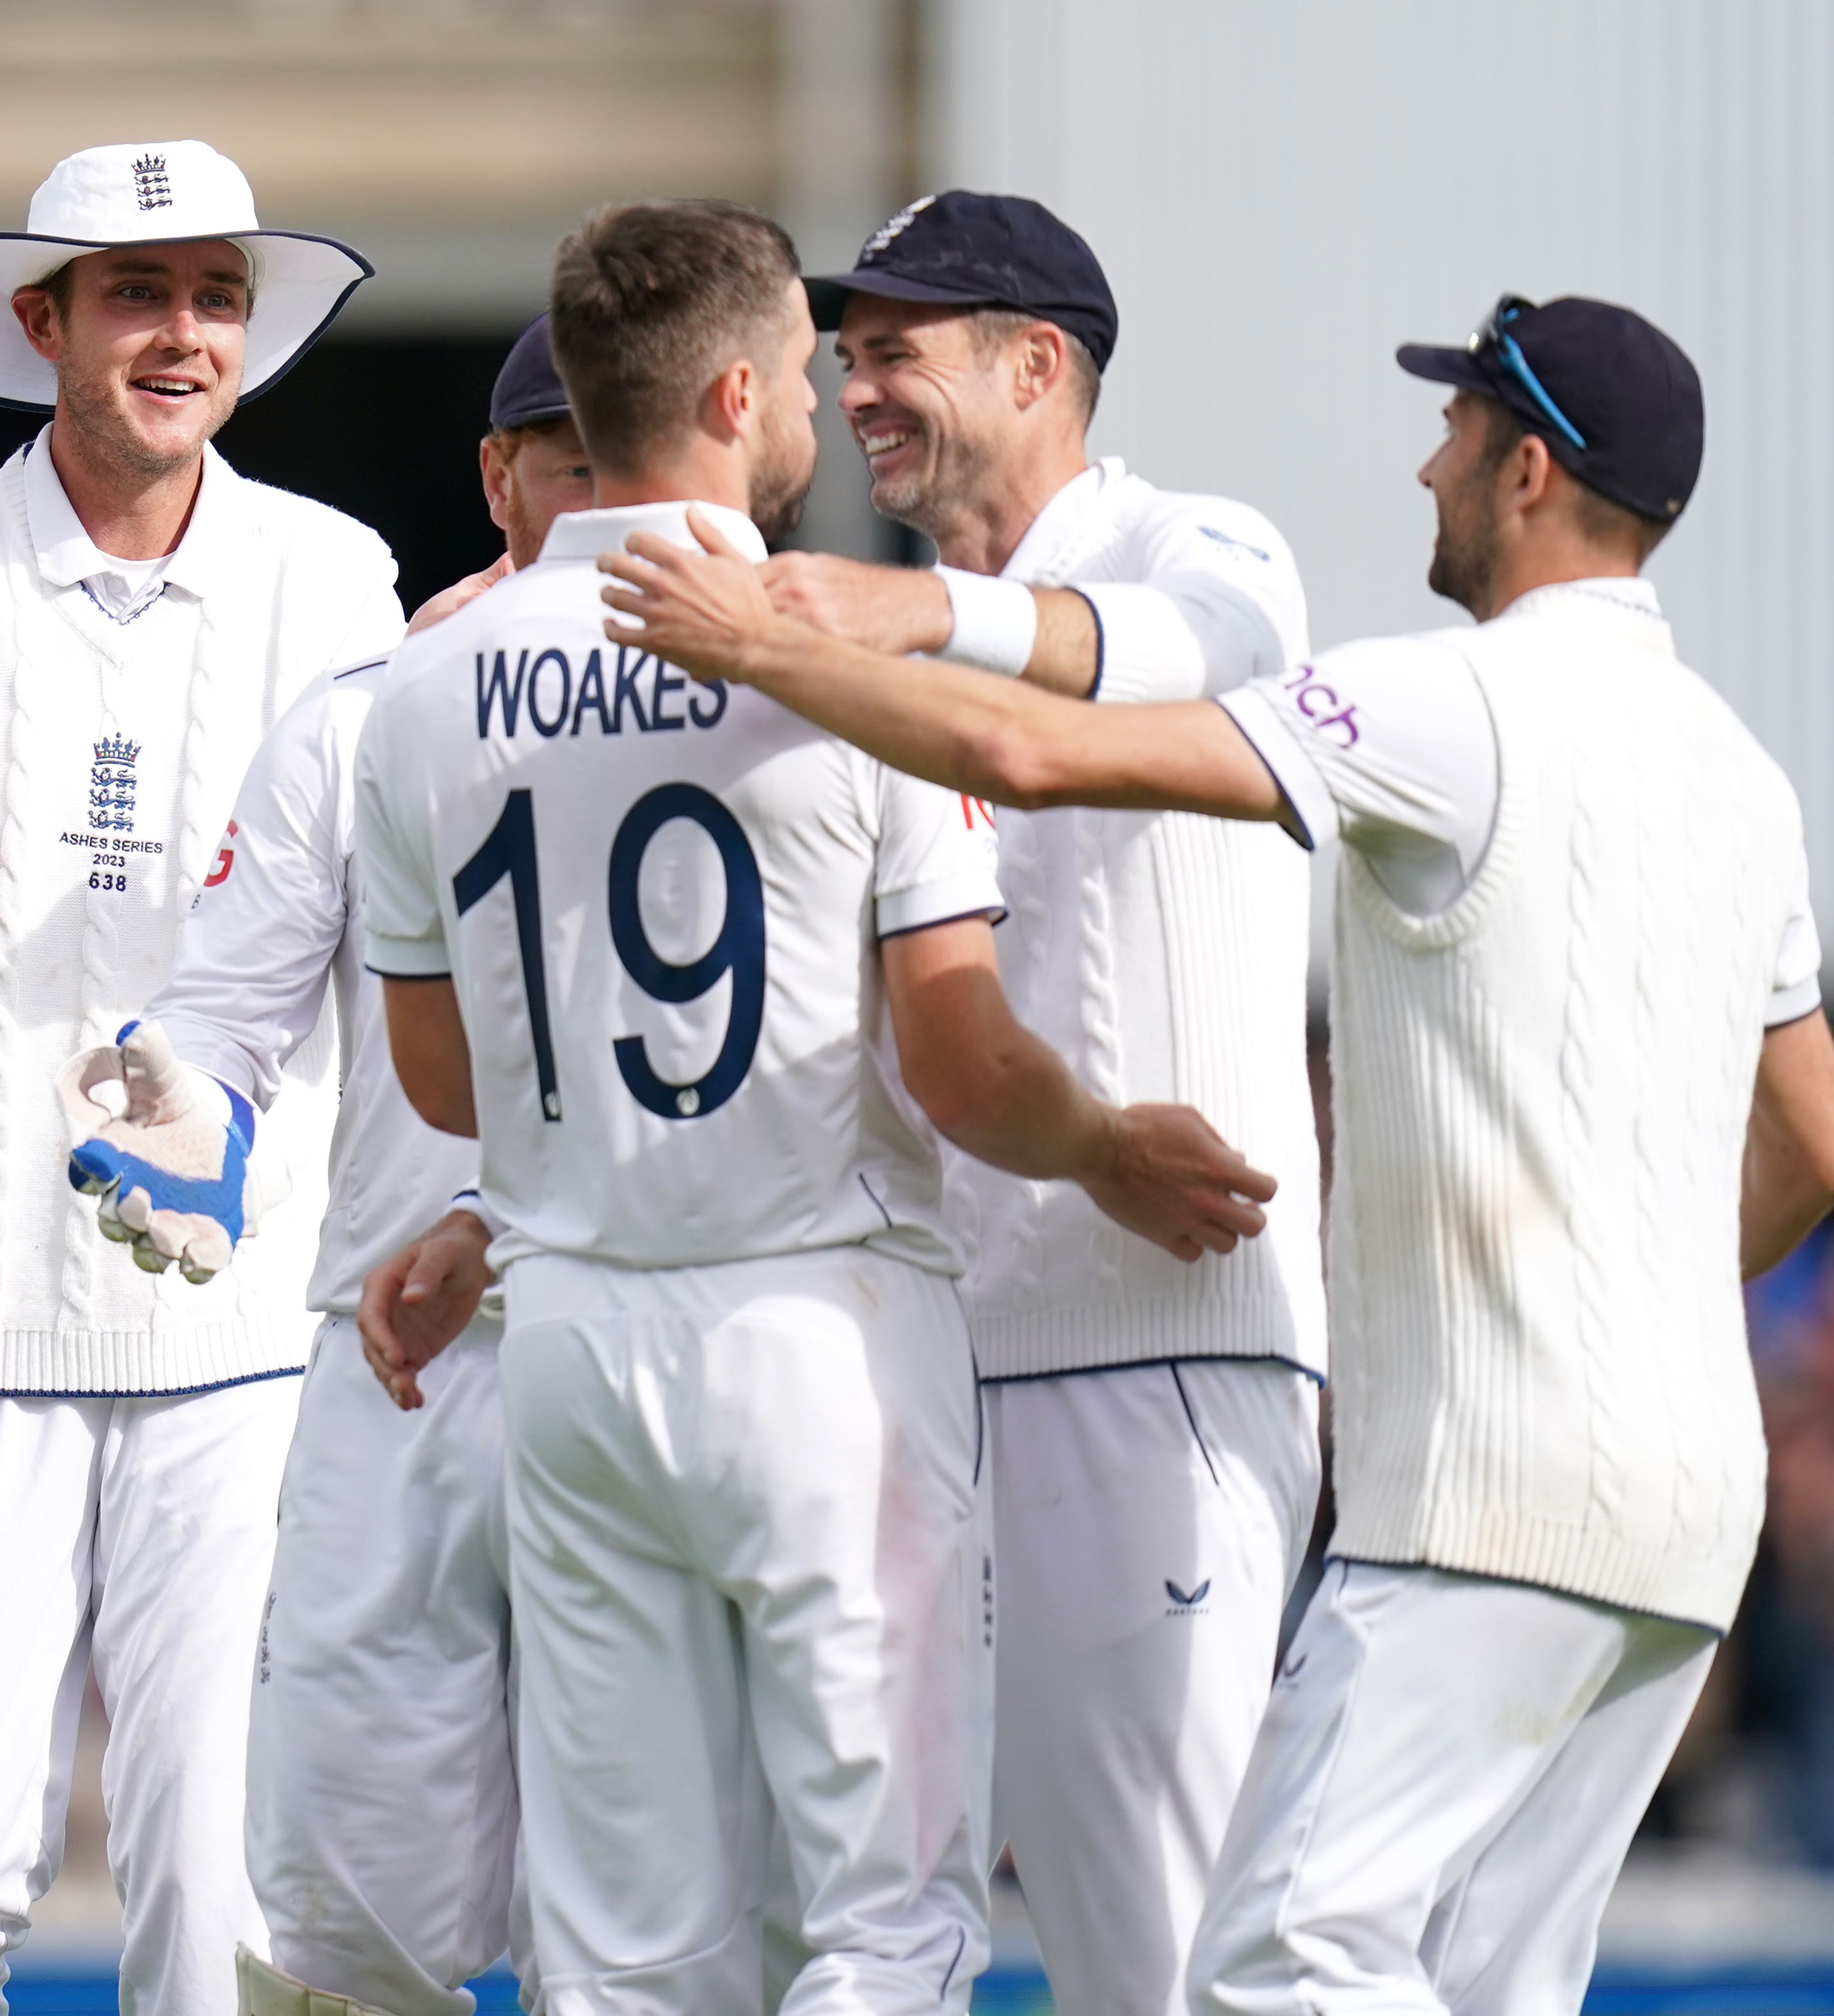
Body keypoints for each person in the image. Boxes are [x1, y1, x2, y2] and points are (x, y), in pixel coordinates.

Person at [602, 291, 1834, 2016]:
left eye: (1458, 436)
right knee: (1490, 1984)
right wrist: (1645, 1313)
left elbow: (1033, 751)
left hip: (1481, 1499)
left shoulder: (1450, 700)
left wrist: (768, 648)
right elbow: (1810, 1138)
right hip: (1687, 1515)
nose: (1426, 467)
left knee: (1273, 1962)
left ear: (1531, 471)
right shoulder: (1744, 772)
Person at [350, 198, 1276, 2016]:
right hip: (817, 1334)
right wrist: (1098, 1144)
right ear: (720, 396)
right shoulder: (845, 680)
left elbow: (443, 1076)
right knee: (884, 1926)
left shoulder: (425, 681)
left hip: (571, 1352)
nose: (816, 406)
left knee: (627, 1949)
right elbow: (957, 1065)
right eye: (796, 371)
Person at [0, 138, 399, 2016]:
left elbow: (392, 964)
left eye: (217, 296)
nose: (184, 333)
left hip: (234, 1355)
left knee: (226, 1929)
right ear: (41, 321)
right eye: (139, 292)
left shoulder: (334, 574)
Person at [770, 189, 1325, 2016]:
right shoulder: (885, 640)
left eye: (896, 351)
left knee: (1156, 1951)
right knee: (861, 1927)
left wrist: (903, 615)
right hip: (924, 1357)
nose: (858, 390)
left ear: (1038, 362)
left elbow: (1156, 664)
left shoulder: (1209, 542)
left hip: (1155, 1349)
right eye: (842, 358)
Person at [66, 316, 590, 2016]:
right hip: (395, 1375)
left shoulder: (785, 690)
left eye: (619, 452)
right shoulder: (361, 719)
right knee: (346, 1924)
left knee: (650, 1902)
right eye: (560, 455)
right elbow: (217, 1018)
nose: (594, 495)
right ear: (499, 474)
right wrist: (134, 1142)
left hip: (631, 1336)